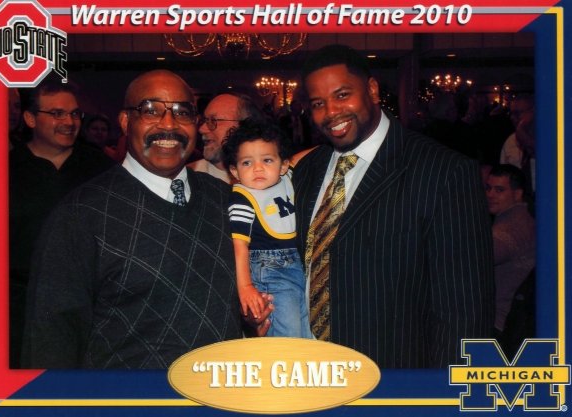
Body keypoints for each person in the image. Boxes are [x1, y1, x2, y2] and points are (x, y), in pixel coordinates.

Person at [270, 45, 493, 368]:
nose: (330, 112)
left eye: (342, 95)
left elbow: (464, 311)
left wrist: (444, 390)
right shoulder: (307, 169)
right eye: (318, 104)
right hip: (309, 369)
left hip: (393, 373)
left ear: (372, 90)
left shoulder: (444, 172)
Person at [21, 70, 242, 369]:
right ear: (125, 122)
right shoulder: (81, 214)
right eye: (151, 110)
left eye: (182, 112)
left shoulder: (225, 198)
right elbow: (51, 341)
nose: (169, 124)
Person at [9, 78, 113, 368]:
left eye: (75, 113)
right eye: (57, 113)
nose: (69, 122)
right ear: (31, 118)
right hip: (18, 306)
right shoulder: (2, 169)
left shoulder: (102, 170)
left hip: (88, 306)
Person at [223, 120, 312, 338]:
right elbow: (239, 246)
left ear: (283, 165)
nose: (258, 168)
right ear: (234, 171)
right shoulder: (242, 199)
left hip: (300, 267)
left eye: (267, 160)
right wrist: (245, 287)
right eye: (247, 162)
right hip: (270, 273)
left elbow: (306, 156)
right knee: (287, 337)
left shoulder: (287, 177)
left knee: (308, 335)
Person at [485, 164, 535, 359]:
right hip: (505, 322)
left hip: (498, 325)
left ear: (517, 194)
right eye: (488, 188)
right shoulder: (520, 219)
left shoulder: (511, 229)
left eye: (499, 190)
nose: (490, 195)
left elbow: (475, 257)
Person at [188, 93, 265, 184]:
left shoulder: (275, 178)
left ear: (246, 127)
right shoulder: (187, 179)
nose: (202, 129)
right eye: (205, 120)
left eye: (213, 120)